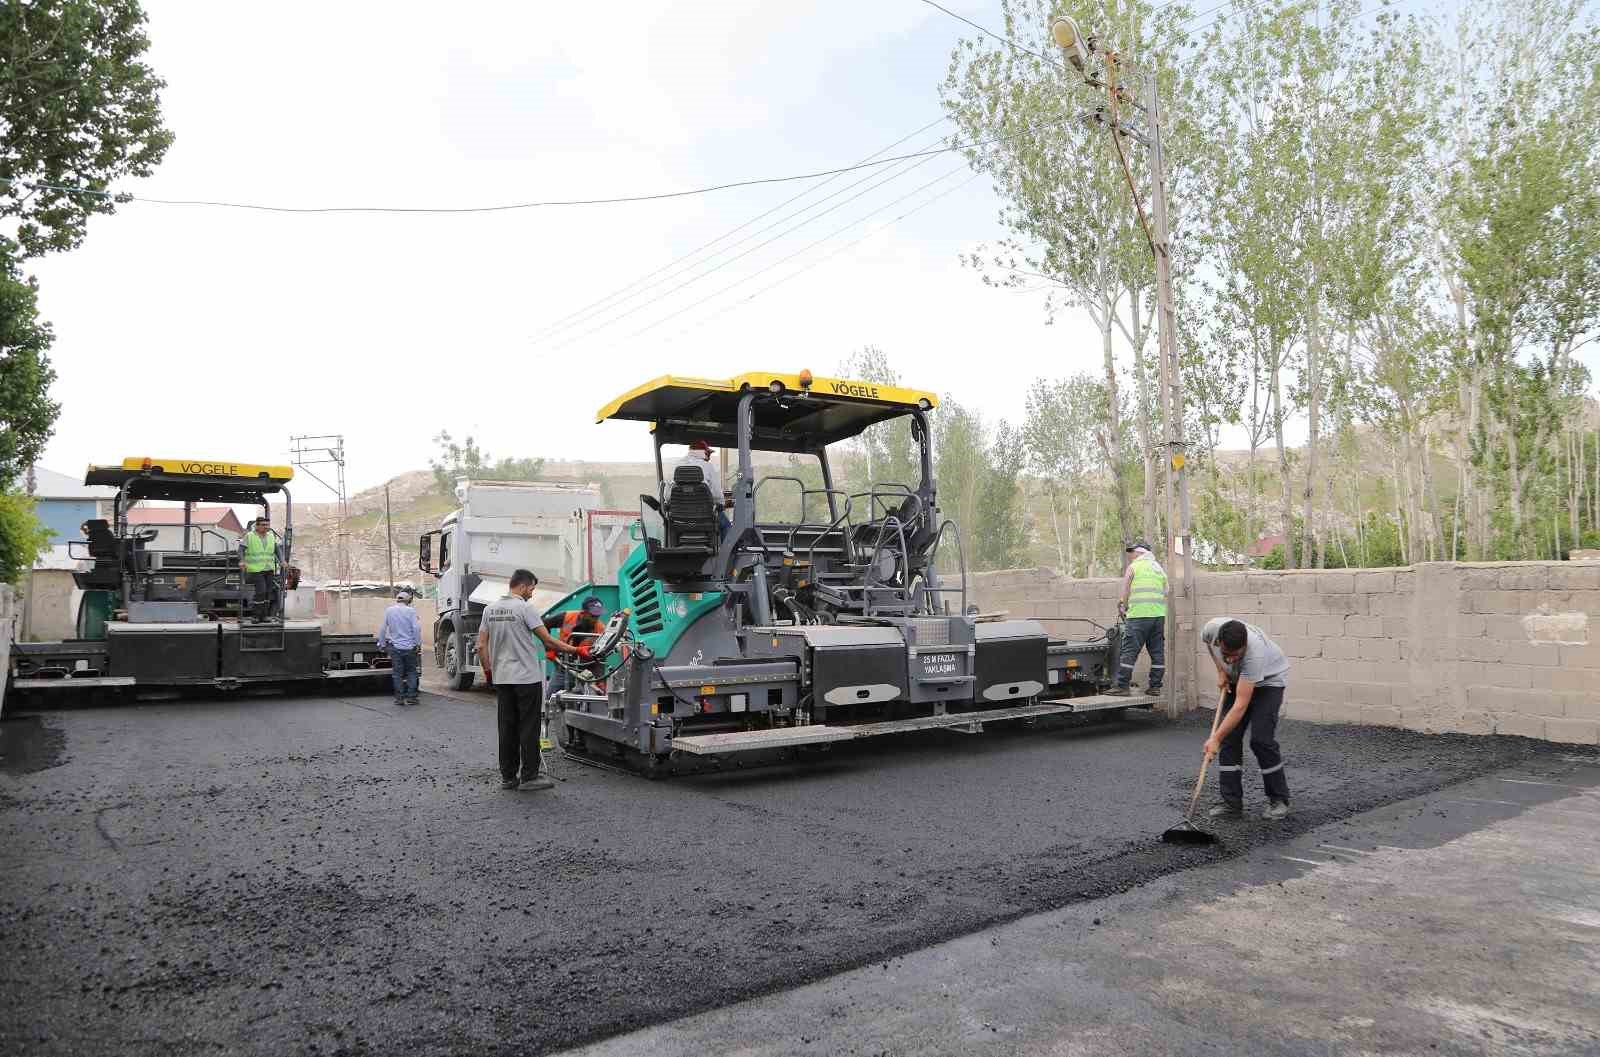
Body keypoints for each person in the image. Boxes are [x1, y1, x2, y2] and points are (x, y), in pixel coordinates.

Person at [476, 569, 581, 792]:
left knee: (507, 727)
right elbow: (548, 641)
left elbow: (480, 645)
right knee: (529, 726)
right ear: (522, 586)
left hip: (502, 679)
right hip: (526, 678)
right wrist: (578, 651)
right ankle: (530, 776)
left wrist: (488, 672)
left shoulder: (489, 610)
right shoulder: (525, 608)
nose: (532, 594)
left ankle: (508, 777)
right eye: (532, 589)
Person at [1200, 617, 1292, 820]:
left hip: (1269, 682)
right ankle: (1231, 803)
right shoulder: (1210, 630)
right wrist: (1221, 670)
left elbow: (1241, 705)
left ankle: (1278, 799)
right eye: (1226, 654)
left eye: (1235, 655)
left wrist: (1215, 738)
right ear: (1219, 642)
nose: (1230, 659)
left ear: (1244, 647)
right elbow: (1209, 647)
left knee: (1261, 740)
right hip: (1238, 679)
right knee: (1230, 738)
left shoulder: (1254, 653)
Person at [1106, 541, 1166, 697]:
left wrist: (1123, 605)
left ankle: (1122, 686)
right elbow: (1166, 590)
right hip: (1158, 617)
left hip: (1138, 616)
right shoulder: (1158, 568)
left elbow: (1126, 590)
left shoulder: (1134, 567)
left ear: (1140, 552)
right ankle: (1155, 687)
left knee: (1129, 651)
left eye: (1132, 552)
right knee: (1157, 652)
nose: (1131, 555)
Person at [543, 596, 606, 695]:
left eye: (598, 616)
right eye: (592, 616)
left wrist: (600, 680)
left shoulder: (600, 629)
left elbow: (601, 656)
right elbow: (544, 623)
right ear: (583, 612)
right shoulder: (566, 617)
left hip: (585, 672)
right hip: (563, 667)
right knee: (551, 698)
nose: (595, 619)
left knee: (587, 704)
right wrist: (549, 648)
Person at [672, 440, 730, 538]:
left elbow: (667, 495)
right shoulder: (707, 466)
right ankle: (727, 553)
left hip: (679, 519)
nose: (709, 457)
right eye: (708, 453)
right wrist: (722, 503)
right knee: (727, 527)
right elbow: (717, 494)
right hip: (705, 517)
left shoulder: (676, 465)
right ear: (703, 453)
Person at [376, 589, 423, 706]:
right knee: (411, 672)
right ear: (408, 601)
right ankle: (412, 697)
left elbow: (382, 629)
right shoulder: (411, 611)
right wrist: (418, 644)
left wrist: (381, 644)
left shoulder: (389, 611)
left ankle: (399, 698)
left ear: (397, 600)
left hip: (395, 647)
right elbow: (416, 629)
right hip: (409, 647)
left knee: (397, 673)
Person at [240, 516, 282, 621]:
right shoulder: (249, 536)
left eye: (267, 525)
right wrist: (241, 560)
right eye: (263, 525)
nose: (266, 527)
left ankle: (264, 616)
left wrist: (282, 561)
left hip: (269, 568)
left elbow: (277, 550)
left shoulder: (271, 536)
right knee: (261, 591)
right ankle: (255, 616)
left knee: (268, 592)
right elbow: (240, 550)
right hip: (255, 569)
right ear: (257, 526)